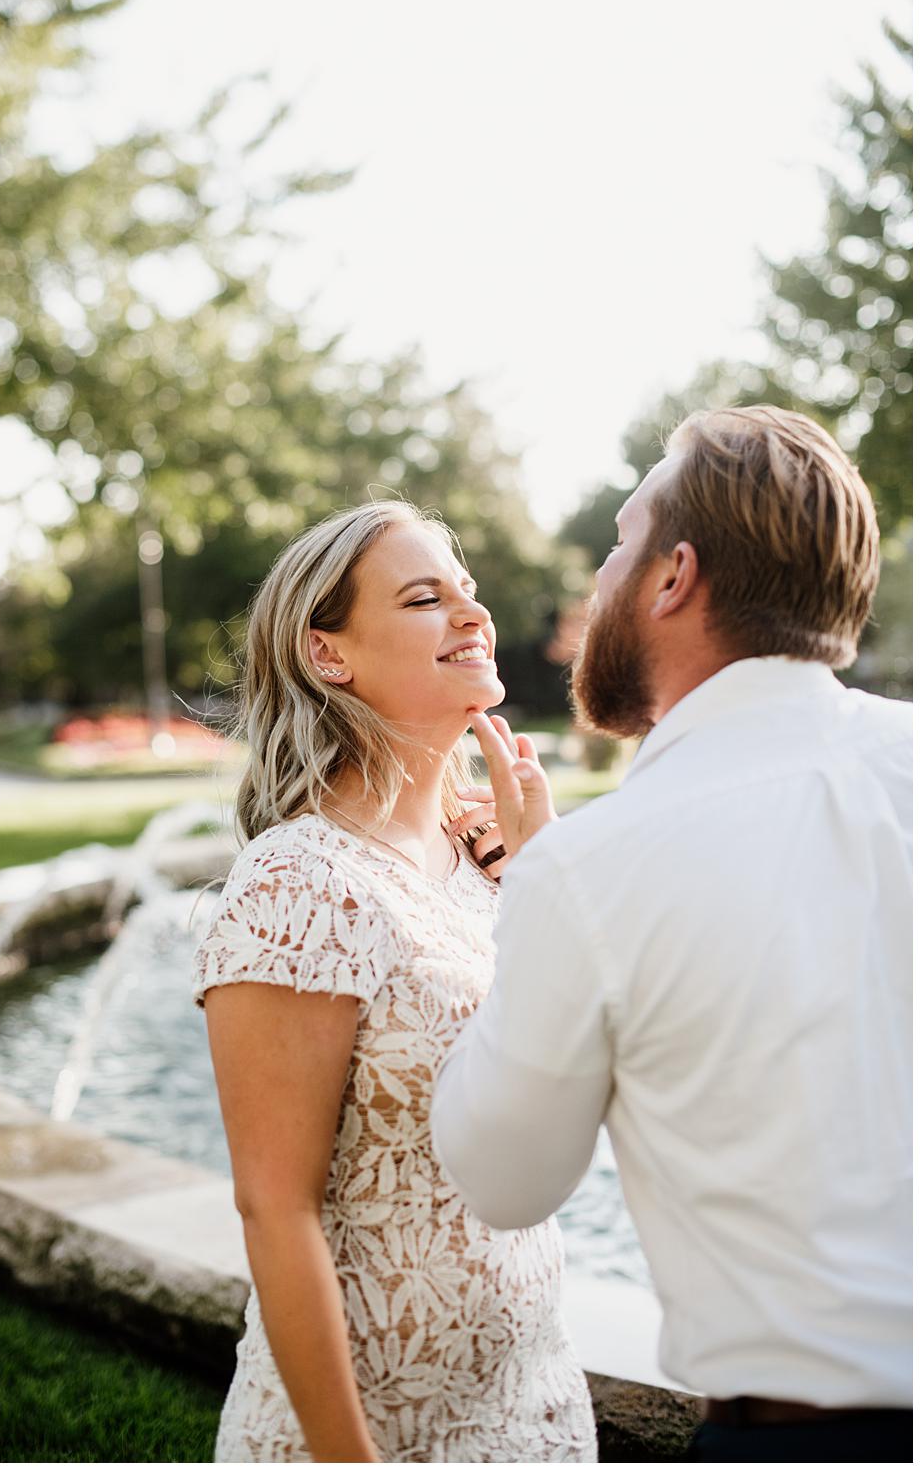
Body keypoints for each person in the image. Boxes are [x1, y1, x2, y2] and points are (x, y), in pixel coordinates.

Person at [433, 405, 913, 1463]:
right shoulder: (911, 759)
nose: (596, 580)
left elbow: (502, 1180)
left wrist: (538, 893)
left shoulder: (591, 867)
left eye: (616, 543)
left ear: (670, 577)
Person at [193, 501, 598, 1461]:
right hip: (376, 1433)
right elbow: (274, 1206)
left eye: (468, 592)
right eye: (426, 598)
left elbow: (580, 1096)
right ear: (329, 654)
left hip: (539, 1409)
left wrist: (542, 879)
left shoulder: (494, 859)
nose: (473, 615)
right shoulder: (300, 879)